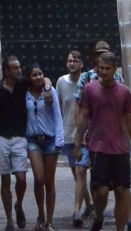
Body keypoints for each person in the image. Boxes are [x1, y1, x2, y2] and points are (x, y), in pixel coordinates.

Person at [74, 52, 131, 231]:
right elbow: (83, 117)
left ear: (114, 69)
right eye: (101, 68)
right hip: (98, 146)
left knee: (121, 190)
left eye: (107, 68)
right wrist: (77, 143)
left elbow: (129, 120)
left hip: (119, 147)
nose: (104, 72)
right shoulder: (89, 89)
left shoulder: (123, 92)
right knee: (102, 191)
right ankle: (98, 216)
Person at [0, 54, 29, 230]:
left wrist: (48, 87)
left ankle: (19, 204)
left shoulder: (22, 85)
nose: (19, 70)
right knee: (5, 180)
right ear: (6, 71)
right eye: (15, 68)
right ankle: (9, 220)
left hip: (19, 136)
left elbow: (42, 79)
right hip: (1, 137)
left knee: (21, 177)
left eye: (19, 67)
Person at [25, 64, 64, 231]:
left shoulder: (50, 91)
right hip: (32, 140)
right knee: (39, 178)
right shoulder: (25, 94)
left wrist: (59, 140)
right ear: (29, 77)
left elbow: (57, 116)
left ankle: (49, 220)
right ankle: (40, 214)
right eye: (34, 75)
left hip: (50, 140)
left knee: (49, 181)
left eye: (40, 74)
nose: (38, 77)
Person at [56, 50, 91, 227]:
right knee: (77, 173)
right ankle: (90, 204)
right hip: (68, 133)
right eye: (69, 61)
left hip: (86, 134)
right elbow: (58, 107)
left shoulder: (88, 82)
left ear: (81, 64)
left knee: (80, 171)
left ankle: (76, 210)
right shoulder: (61, 82)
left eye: (75, 61)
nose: (72, 64)